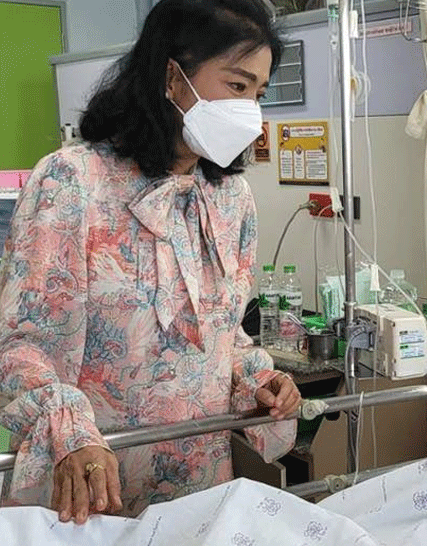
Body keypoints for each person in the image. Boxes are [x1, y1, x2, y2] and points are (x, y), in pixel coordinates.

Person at [0, 0, 301, 523]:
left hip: (197, 486)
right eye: (236, 85)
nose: (250, 112)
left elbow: (222, 334)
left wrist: (256, 381)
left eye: (258, 94)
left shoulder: (230, 200)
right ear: (172, 77)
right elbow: (24, 346)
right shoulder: (73, 183)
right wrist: (70, 435)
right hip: (90, 488)